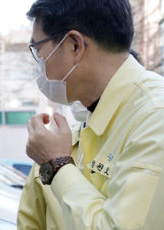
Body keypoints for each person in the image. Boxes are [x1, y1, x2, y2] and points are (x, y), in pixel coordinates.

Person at [18, 0, 164, 229]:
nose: (38, 65)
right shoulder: (75, 130)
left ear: (74, 45)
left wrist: (57, 164)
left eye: (38, 49)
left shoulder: (155, 117)